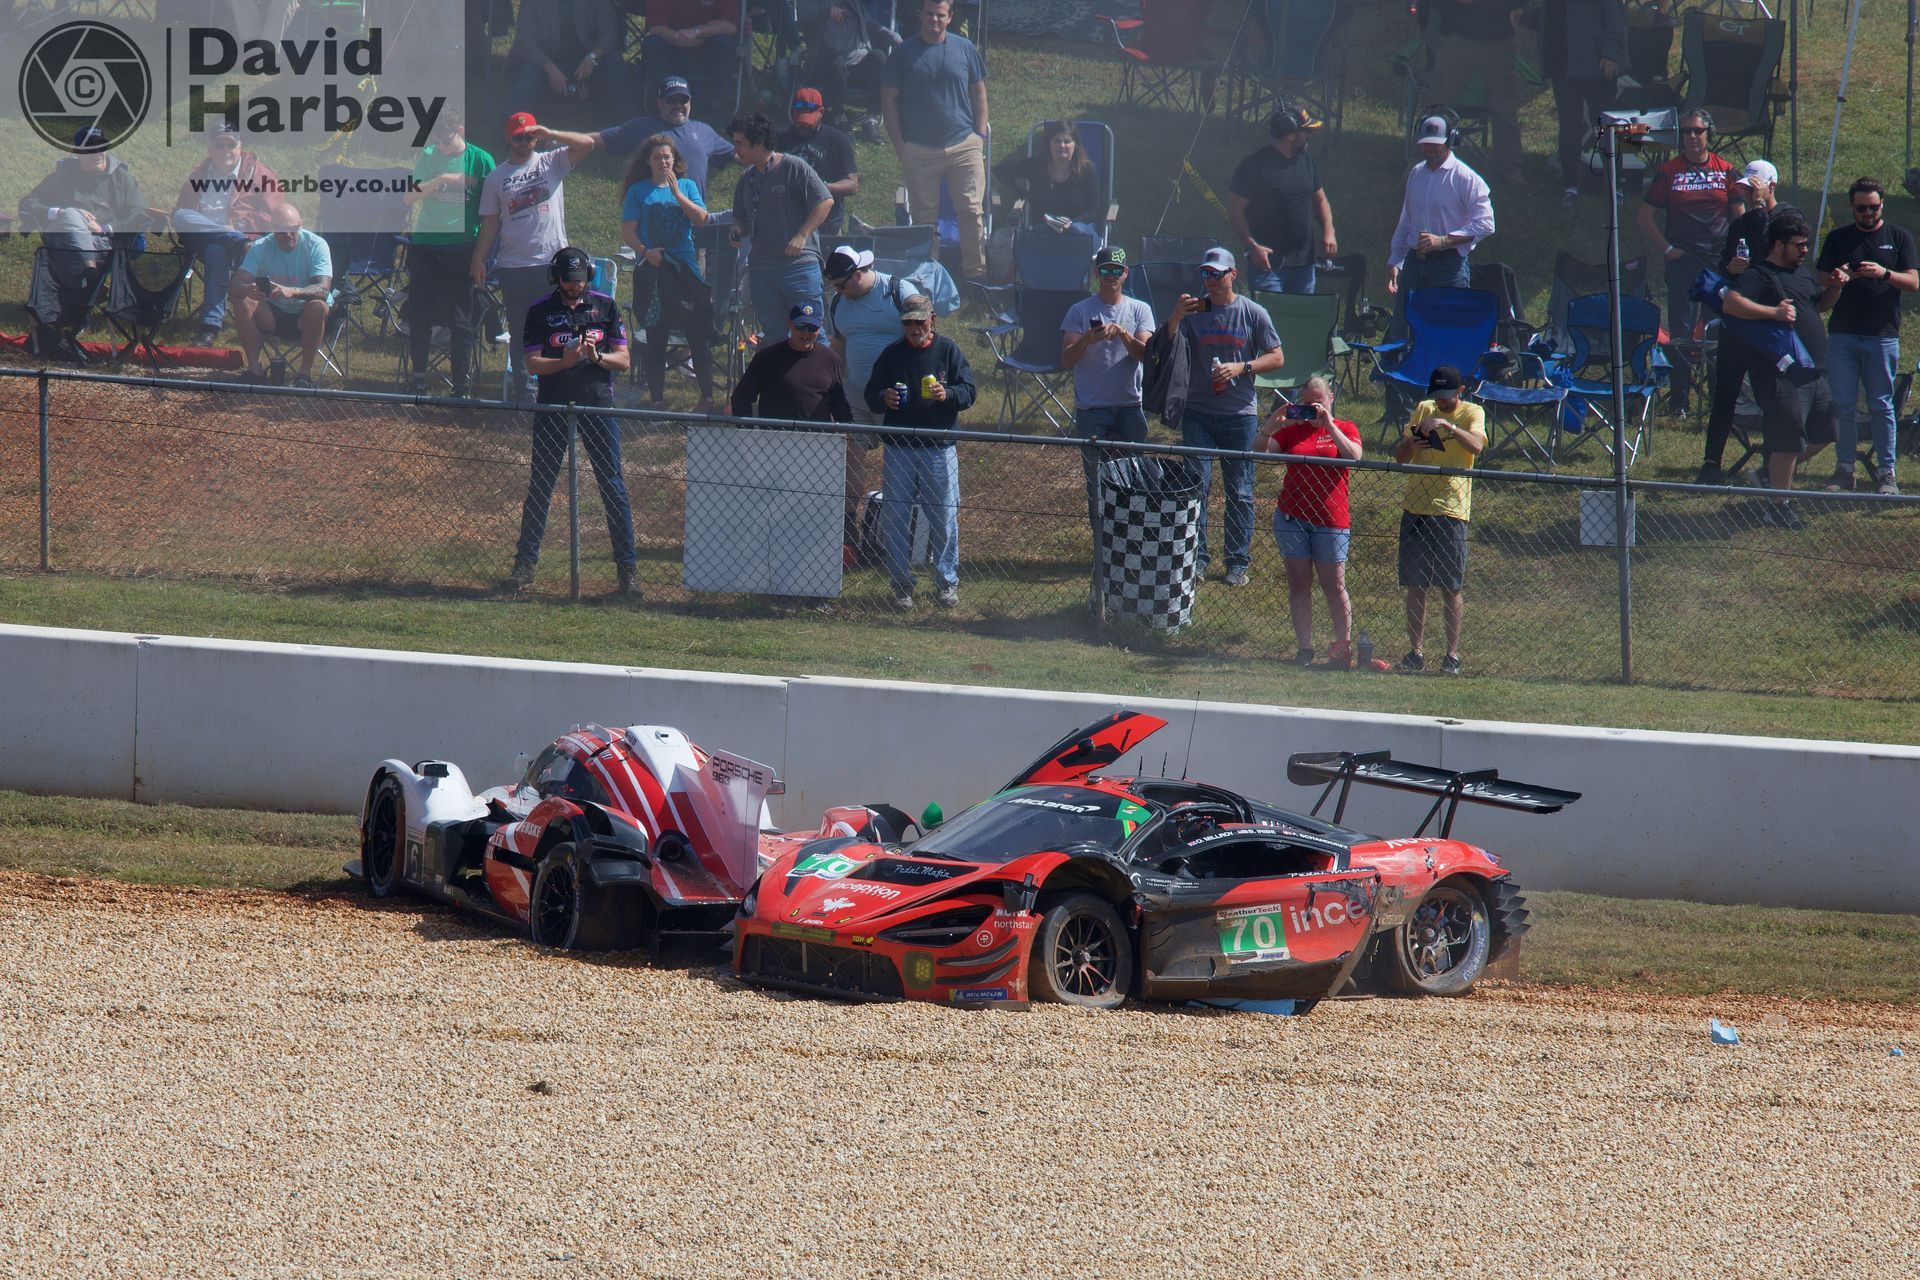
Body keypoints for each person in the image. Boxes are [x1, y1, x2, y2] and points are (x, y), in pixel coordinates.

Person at [503, 247, 640, 598]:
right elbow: (532, 363)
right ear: (556, 278)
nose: (575, 286)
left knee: (612, 486)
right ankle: (524, 566)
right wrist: (565, 362)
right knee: (541, 485)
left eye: (580, 280)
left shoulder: (606, 307)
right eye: (568, 280)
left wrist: (598, 357)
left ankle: (628, 573)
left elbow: (623, 359)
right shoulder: (539, 311)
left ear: (588, 277)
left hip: (597, 404)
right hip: (552, 406)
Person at [1163, 247, 1286, 586]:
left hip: (1239, 414)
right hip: (1197, 411)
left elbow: (1277, 357)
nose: (1211, 281)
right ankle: (1197, 558)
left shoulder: (1252, 312)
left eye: (1217, 274)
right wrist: (1175, 316)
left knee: (1241, 491)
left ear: (1233, 274)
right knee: (1195, 487)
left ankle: (1237, 562)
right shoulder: (1194, 310)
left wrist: (1242, 366)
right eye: (1206, 274)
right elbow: (1165, 346)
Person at [1720, 214, 1841, 528]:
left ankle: (1768, 474)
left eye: (1805, 245)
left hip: (1815, 369)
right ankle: (1778, 508)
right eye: (1798, 245)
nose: (1804, 251)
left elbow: (1820, 306)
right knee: (1788, 439)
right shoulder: (1758, 274)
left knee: (1831, 429)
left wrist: (1836, 288)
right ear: (1778, 245)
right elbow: (1731, 304)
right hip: (1780, 371)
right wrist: (1773, 312)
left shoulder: (1802, 275)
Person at [864, 294, 977, 610]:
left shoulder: (948, 350)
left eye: (919, 321)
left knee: (943, 516)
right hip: (899, 448)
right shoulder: (892, 354)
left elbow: (969, 392)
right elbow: (870, 394)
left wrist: (947, 393)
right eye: (908, 322)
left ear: (933, 320)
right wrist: (883, 398)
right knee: (897, 518)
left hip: (938, 449)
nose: (914, 327)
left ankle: (946, 584)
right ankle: (902, 586)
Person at [472, 116, 598, 395]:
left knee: (559, 324)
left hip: (551, 261)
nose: (524, 142)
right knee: (521, 329)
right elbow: (490, 223)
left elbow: (587, 144)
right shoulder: (496, 177)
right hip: (513, 265)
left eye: (529, 137)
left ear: (536, 138)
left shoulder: (551, 161)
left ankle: (557, 385)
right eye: (518, 137)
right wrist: (478, 257)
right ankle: (525, 389)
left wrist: (551, 131)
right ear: (508, 138)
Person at [1816, 177, 1917, 495]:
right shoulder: (1838, 238)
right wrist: (1837, 278)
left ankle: (1887, 472)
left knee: (1881, 404)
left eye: (1874, 207)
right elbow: (1820, 276)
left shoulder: (1898, 237)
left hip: (1882, 333)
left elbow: (1913, 281)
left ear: (1882, 205)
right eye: (1862, 209)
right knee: (1843, 404)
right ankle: (1845, 469)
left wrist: (1883, 273)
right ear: (1852, 208)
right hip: (1844, 332)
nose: (1868, 214)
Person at [1637, 108, 1740, 413]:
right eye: (1686, 131)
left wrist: (1736, 254)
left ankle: (1715, 401)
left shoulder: (1726, 170)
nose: (1692, 137)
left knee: (1715, 329)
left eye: (1698, 131)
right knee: (1681, 331)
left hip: (1716, 262)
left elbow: (1740, 217)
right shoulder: (1668, 171)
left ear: (1710, 133)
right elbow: (1644, 218)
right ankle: (1679, 400)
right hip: (1682, 261)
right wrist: (1667, 250)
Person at [1698, 158, 1795, 484]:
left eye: (1754, 188)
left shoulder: (1787, 219)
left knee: (1769, 396)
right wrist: (1731, 269)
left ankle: (1770, 466)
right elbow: (1725, 262)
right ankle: (1711, 463)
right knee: (1725, 391)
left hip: (1769, 322)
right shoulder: (1741, 223)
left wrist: (1758, 211)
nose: (1748, 195)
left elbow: (1778, 257)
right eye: (1745, 189)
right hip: (1738, 322)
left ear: (1772, 186)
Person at [1258, 376, 1363, 667]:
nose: (1314, 407)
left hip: (1331, 519)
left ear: (1331, 399)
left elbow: (1354, 456)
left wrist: (1328, 425)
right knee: (1299, 583)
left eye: (1319, 401)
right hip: (1293, 516)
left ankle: (1342, 648)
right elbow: (1259, 453)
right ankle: (1305, 648)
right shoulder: (1293, 430)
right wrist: (1273, 422)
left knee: (1334, 585)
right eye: (1308, 402)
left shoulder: (1345, 427)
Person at [883, 0, 989, 281]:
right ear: (920, 15)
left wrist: (979, 134)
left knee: (971, 211)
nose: (934, 19)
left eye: (940, 15)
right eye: (929, 14)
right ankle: (926, 276)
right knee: (923, 219)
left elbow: (979, 91)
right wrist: (900, 146)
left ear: (950, 17)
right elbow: (888, 100)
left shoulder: (965, 48)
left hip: (964, 144)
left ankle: (975, 276)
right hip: (918, 148)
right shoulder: (903, 52)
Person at [1392, 365, 1486, 675]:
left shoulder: (1473, 412)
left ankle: (1452, 656)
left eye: (1448, 397)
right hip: (1416, 506)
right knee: (1416, 584)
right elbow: (1400, 457)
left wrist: (1448, 427)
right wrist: (1412, 443)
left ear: (1460, 392)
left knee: (1450, 586)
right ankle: (1415, 653)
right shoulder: (1423, 409)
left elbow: (1476, 446)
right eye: (1438, 397)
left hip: (1451, 509)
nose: (1441, 402)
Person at [621, 133, 717, 412]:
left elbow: (701, 220)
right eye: (657, 157)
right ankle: (658, 400)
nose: (663, 161)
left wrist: (677, 195)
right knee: (656, 334)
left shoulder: (687, 186)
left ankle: (707, 398)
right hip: (654, 269)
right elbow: (628, 231)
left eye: (667, 156)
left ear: (675, 160)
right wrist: (644, 251)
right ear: (648, 161)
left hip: (686, 269)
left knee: (697, 332)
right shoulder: (638, 191)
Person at [1062, 245, 1155, 530]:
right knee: (1096, 482)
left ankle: (1133, 539)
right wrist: (1088, 339)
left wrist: (1124, 334)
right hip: (1092, 408)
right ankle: (1102, 547)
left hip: (1130, 407)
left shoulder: (1140, 309)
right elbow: (1066, 359)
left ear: (1125, 274)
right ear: (1096, 274)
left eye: (1116, 271)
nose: (1110, 276)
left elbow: (1146, 356)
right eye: (1105, 271)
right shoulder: (1079, 311)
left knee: (1135, 478)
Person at [403, 109, 495, 396]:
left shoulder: (480, 160)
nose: (443, 143)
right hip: (426, 243)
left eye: (449, 136)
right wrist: (442, 178)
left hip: (462, 245)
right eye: (439, 137)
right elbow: (409, 196)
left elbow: (492, 209)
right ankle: (418, 376)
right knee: (420, 312)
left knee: (460, 318)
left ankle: (461, 383)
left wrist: (481, 254)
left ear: (461, 131)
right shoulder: (429, 156)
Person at [827, 245, 909, 554]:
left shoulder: (897, 291)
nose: (838, 292)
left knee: (898, 462)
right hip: (855, 398)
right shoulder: (839, 303)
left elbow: (922, 335)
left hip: (894, 398)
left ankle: (898, 534)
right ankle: (850, 530)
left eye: (841, 285)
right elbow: (838, 345)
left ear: (858, 274)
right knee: (851, 459)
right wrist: (831, 385)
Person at [727, 112, 835, 340]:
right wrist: (737, 229)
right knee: (774, 336)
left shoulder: (794, 167)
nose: (735, 149)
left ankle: (823, 376)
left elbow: (825, 202)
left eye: (740, 143)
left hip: (798, 267)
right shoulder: (746, 178)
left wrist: (802, 235)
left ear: (758, 143)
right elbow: (740, 217)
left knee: (811, 330)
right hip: (761, 269)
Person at [171, 124, 284, 343]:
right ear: (210, 148)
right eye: (219, 145)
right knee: (180, 216)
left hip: (244, 241)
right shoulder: (200, 173)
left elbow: (273, 216)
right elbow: (182, 214)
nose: (225, 151)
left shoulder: (260, 174)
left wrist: (241, 225)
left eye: (230, 145)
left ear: (240, 147)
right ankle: (231, 238)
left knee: (217, 251)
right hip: (213, 238)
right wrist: (230, 233)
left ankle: (209, 327)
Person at [1524, 0, 1625, 206]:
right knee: (1568, 127)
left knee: (1607, 128)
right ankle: (1570, 185)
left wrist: (1611, 53)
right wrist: (1526, 16)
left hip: (1597, 66)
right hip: (1562, 67)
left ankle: (1616, 185)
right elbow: (1553, 17)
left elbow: (1616, 20)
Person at [18, 129, 148, 289]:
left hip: (104, 240)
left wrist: (104, 228)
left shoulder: (121, 178)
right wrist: (59, 213)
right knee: (72, 214)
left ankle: (81, 298)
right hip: (65, 234)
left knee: (67, 249)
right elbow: (28, 202)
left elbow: (137, 213)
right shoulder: (63, 176)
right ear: (78, 153)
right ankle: (92, 280)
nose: (97, 153)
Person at [1228, 106, 1336, 296]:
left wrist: (1329, 231)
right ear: (1291, 134)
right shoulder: (1254, 165)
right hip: (1268, 266)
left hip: (1304, 265)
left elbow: (1320, 201)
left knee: (1300, 322)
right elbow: (1235, 209)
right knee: (1272, 323)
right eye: (1306, 131)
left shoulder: (1307, 161)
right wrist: (1252, 246)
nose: (1309, 136)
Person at [1387, 115, 1496, 302]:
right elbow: (1407, 219)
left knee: (1447, 327)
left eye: (1435, 144)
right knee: (1403, 329)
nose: (1429, 148)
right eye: (1425, 143)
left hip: (1449, 266)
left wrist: (1443, 241)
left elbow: (1486, 224)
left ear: (1450, 141)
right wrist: (1396, 260)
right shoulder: (1416, 173)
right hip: (1414, 264)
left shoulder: (1466, 178)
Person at [228, 203, 333, 388]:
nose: (288, 235)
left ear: (300, 224)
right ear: (273, 229)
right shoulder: (260, 247)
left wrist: (293, 291)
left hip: (306, 316)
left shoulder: (317, 245)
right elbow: (236, 284)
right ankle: (255, 371)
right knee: (242, 301)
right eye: (282, 231)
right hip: (273, 313)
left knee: (318, 306)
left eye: (293, 229)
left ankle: (304, 376)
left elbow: (323, 289)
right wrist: (246, 289)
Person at [1425, 0, 1527, 188]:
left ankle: (1510, 169)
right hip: (1458, 35)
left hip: (1499, 38)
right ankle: (1422, 163)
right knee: (1438, 104)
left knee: (1505, 109)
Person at [595, 76, 738, 198]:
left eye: (683, 100)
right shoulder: (642, 127)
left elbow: (740, 155)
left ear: (690, 102)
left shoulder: (704, 131)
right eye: (672, 100)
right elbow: (598, 139)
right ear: (659, 103)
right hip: (656, 212)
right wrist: (573, 143)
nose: (678, 105)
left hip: (694, 215)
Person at [506, 0, 635, 120]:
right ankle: (514, 124)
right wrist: (550, 68)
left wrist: (592, 57)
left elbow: (609, 33)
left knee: (614, 62)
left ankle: (630, 120)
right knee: (529, 71)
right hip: (547, 62)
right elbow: (525, 42)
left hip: (586, 63)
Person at [730, 302, 855, 423]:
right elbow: (741, 397)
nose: (806, 333)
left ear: (820, 327)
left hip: (818, 439)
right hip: (775, 438)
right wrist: (747, 431)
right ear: (790, 324)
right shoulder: (766, 358)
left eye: (812, 328)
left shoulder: (830, 359)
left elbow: (838, 403)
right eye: (800, 326)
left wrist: (848, 431)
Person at [776, 87, 860, 239]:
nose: (804, 125)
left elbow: (852, 184)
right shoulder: (779, 138)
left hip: (827, 226)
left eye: (809, 121)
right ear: (793, 112)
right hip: (786, 224)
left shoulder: (837, 140)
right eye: (800, 120)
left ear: (821, 113)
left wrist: (819, 187)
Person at [993, 120, 1102, 236]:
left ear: (1076, 145)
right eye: (1057, 141)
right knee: (1042, 230)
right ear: (1049, 143)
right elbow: (1000, 171)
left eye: (1067, 141)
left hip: (1080, 231)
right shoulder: (1037, 166)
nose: (1062, 146)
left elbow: (1094, 210)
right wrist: (1024, 193)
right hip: (1046, 230)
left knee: (1076, 231)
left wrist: (1073, 223)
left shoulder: (1086, 171)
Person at [642, 0, 741, 100]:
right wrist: (678, 37)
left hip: (708, 47)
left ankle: (718, 102)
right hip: (674, 44)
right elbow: (655, 27)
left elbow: (730, 25)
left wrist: (697, 32)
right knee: (653, 43)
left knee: (725, 42)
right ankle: (667, 100)